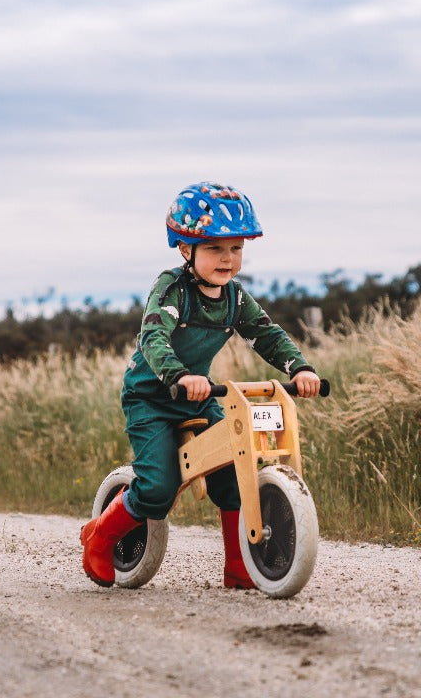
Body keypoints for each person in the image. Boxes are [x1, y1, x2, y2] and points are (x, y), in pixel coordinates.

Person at [80, 181, 321, 589]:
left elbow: (267, 334)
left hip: (199, 395)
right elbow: (154, 337)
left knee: (232, 468)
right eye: (214, 248)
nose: (227, 259)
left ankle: (239, 567)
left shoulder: (235, 298)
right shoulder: (172, 289)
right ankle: (99, 536)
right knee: (159, 488)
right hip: (153, 397)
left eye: (236, 248)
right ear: (185, 249)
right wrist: (178, 375)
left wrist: (299, 367)